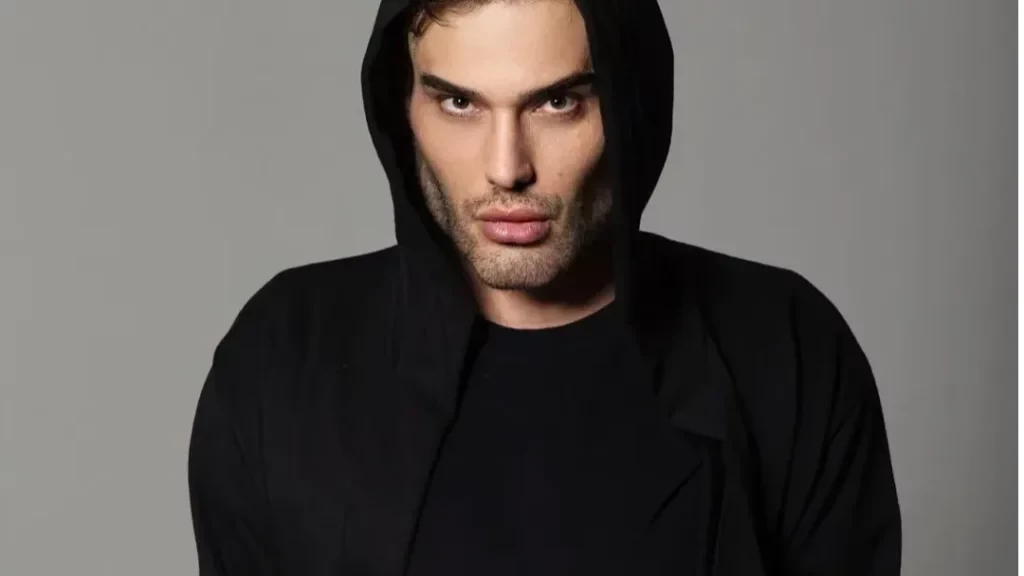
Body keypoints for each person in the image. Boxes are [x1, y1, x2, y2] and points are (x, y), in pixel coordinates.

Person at [187, 0, 903, 574]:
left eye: (557, 102)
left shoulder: (786, 351)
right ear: (402, 108)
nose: (507, 168)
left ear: (629, 102)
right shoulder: (283, 358)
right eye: (459, 103)